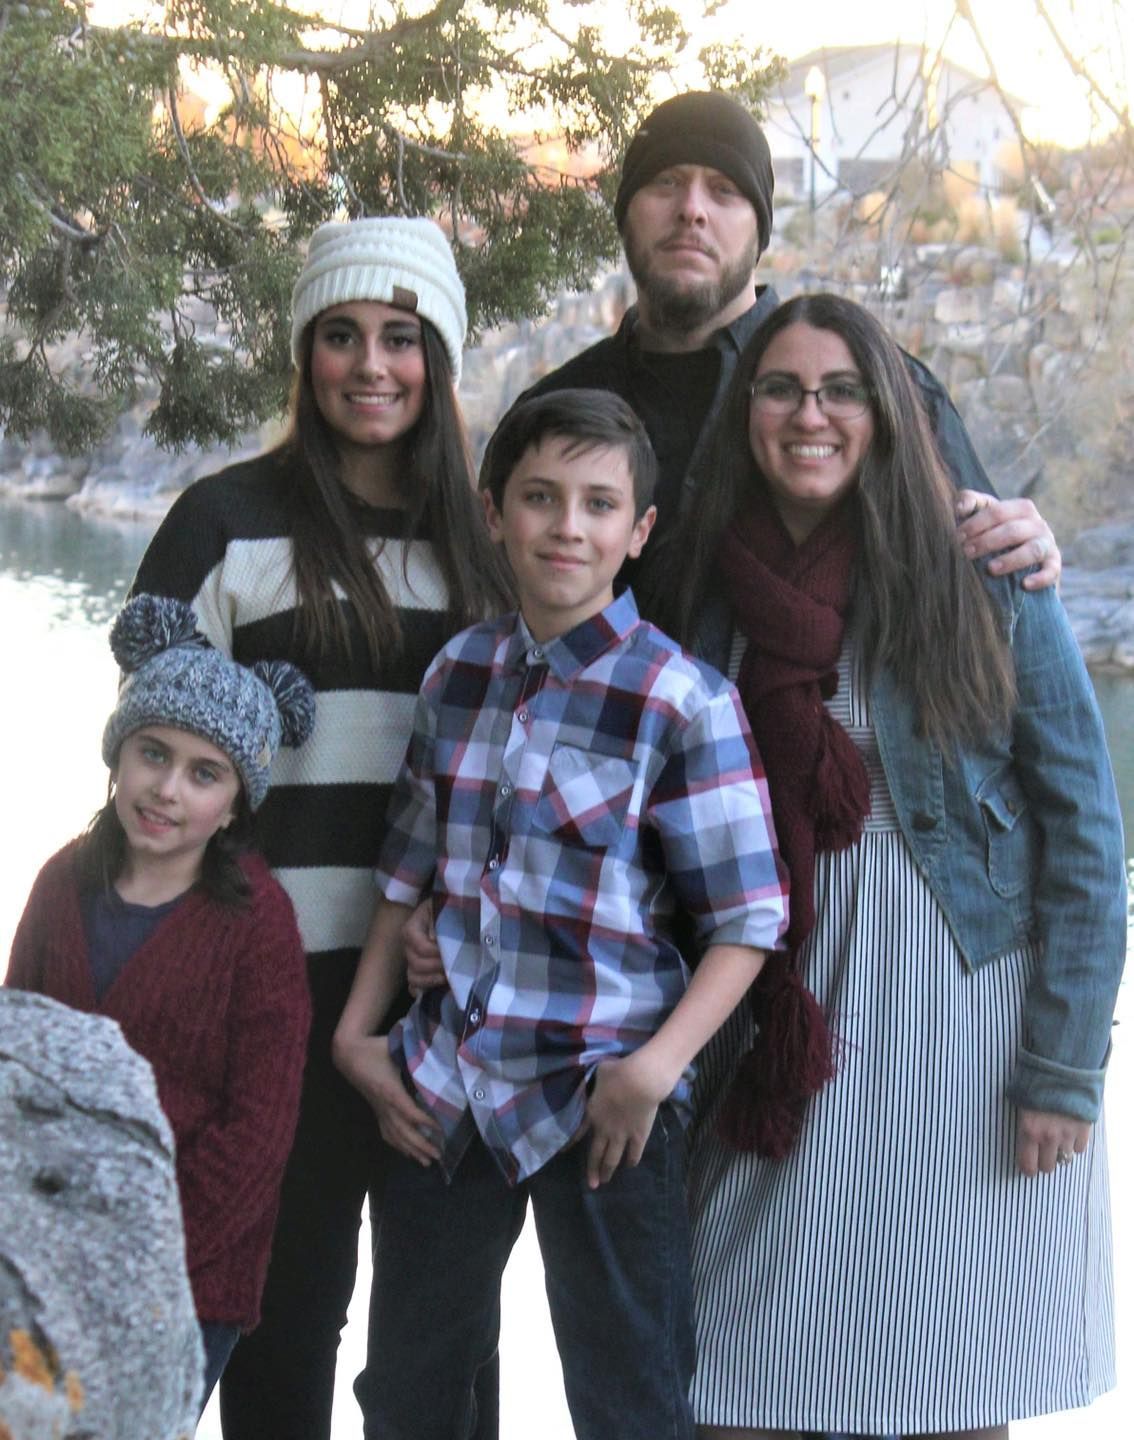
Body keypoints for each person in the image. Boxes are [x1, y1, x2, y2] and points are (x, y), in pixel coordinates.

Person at [641, 293, 1127, 1440]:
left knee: (949, 1381)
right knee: (729, 1381)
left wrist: (1063, 1068)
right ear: (745, 410)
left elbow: (1088, 834)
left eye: (841, 389)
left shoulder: (983, 573)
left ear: (886, 415)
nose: (810, 413)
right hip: (768, 1009)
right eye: (780, 387)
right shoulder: (701, 594)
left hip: (963, 1023)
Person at [331, 389, 790, 1440]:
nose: (566, 527)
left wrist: (653, 1072)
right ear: (495, 512)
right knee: (409, 1389)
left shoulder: (680, 698)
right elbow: (406, 870)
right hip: (446, 1089)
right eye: (540, 498)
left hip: (604, 1102)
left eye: (596, 505)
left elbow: (750, 920)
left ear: (639, 533)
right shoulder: (459, 675)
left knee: (628, 1398)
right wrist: (359, 1037)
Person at [128, 217, 512, 1440]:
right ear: (305, 355)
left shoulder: (493, 544)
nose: (371, 364)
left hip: (440, 995)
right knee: (281, 1317)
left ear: (438, 357)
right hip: (262, 986)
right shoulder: (224, 523)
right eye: (340, 336)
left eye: (402, 338)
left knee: (442, 1347)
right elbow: (154, 783)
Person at [518, 89, 1061, 589]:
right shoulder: (552, 410)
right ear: (626, 214)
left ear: (760, 231)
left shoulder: (889, 392)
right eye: (666, 182)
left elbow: (990, 569)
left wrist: (1026, 548)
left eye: (725, 190)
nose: (692, 209)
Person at [6, 593, 316, 1411]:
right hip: (39, 1256)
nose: (167, 789)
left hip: (183, 1275)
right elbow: (17, 1060)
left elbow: (258, 1134)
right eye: (152, 754)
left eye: (203, 772)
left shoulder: (258, 929)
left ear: (236, 804)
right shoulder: (62, 883)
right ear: (117, 755)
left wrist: (131, 1251)